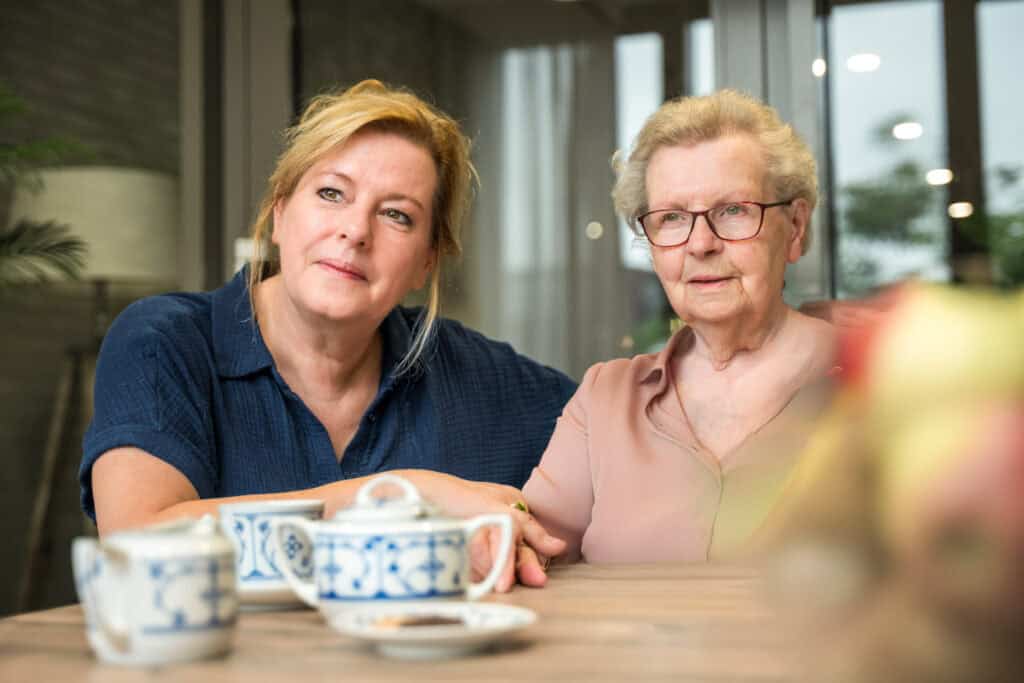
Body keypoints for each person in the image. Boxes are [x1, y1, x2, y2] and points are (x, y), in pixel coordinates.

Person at [80, 79, 573, 588]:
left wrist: (511, 517)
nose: (356, 230)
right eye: (332, 193)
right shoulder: (165, 343)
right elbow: (135, 546)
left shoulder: (473, 374)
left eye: (397, 215)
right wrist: (395, 494)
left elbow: (613, 433)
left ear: (426, 262)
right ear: (280, 212)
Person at [521, 89, 840, 564]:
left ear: (794, 228)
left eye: (733, 210)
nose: (701, 244)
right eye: (671, 218)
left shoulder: (875, 381)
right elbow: (529, 551)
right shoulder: (606, 396)